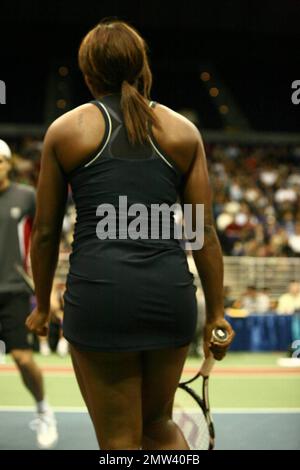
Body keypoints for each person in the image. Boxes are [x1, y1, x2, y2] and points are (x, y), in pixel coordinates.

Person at [25, 19, 235, 450]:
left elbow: (45, 234)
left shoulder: (65, 131)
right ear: (143, 68)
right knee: (158, 426)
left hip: (100, 299)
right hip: (170, 297)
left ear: (87, 75)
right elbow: (202, 234)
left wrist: (43, 309)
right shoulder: (183, 132)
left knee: (119, 441)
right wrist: (215, 312)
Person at [0, 139, 58, 449]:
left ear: (9, 164)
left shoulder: (26, 197)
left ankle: (43, 409)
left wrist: (47, 288)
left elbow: (44, 239)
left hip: (13, 290)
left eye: (0, 161)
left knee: (23, 359)